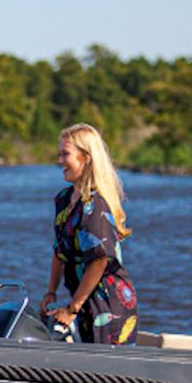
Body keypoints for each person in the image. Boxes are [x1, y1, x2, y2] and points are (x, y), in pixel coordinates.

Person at [41, 123, 138, 346]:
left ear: (86, 158)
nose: (60, 161)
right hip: (82, 302)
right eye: (60, 154)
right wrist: (51, 292)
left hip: (107, 305)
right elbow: (59, 251)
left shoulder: (95, 205)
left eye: (66, 154)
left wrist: (72, 307)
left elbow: (99, 260)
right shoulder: (64, 199)